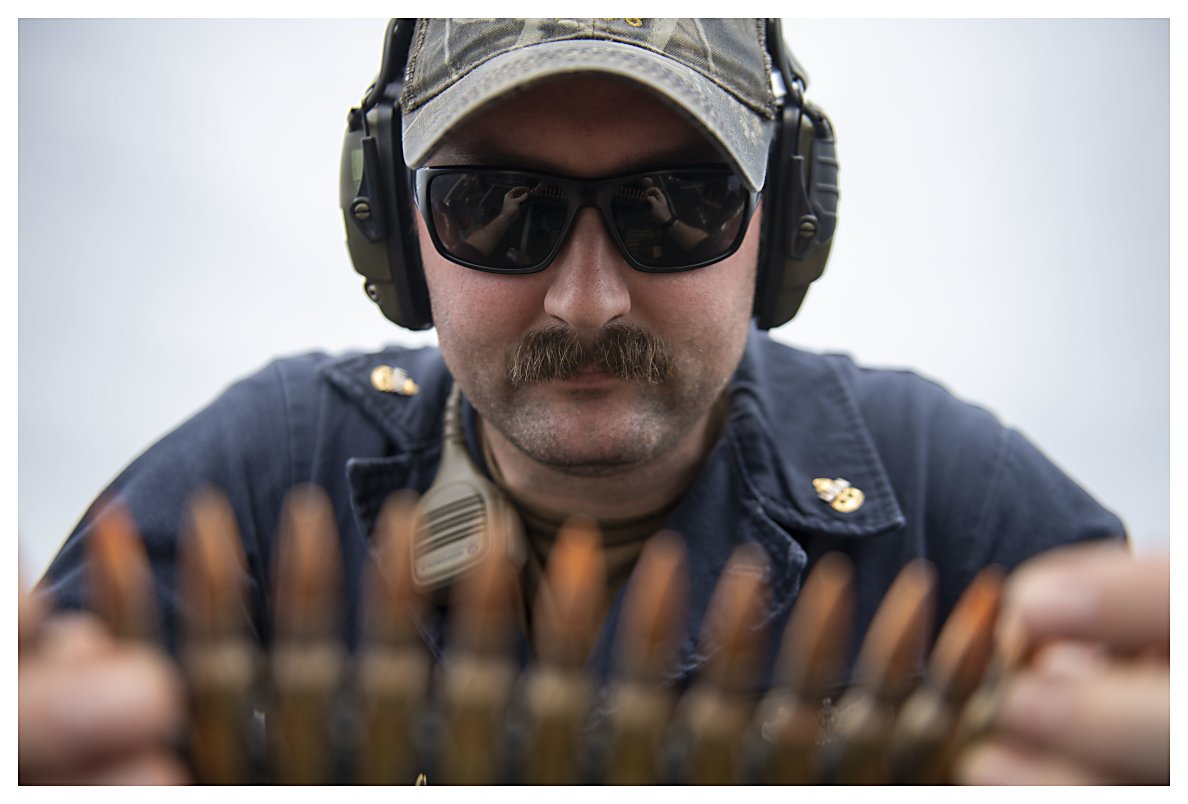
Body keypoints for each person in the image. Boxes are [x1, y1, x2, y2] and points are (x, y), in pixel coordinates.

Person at [20, 18, 1167, 785]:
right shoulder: (265, 476)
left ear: (784, 227)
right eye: (493, 208)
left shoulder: (954, 502)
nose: (586, 301)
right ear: (397, 235)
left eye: (678, 207)